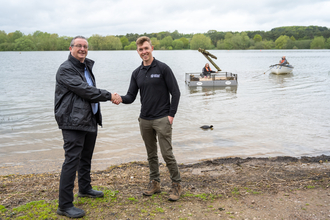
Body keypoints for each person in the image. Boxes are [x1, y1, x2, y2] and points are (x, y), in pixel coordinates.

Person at [54, 36, 120, 218]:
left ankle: (84, 188)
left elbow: (88, 92)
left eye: (85, 46)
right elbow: (85, 90)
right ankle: (65, 205)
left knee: (86, 158)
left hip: (88, 118)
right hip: (72, 121)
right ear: (70, 48)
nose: (82, 49)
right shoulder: (66, 69)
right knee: (71, 161)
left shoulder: (85, 67)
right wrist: (109, 95)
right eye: (78, 46)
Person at [113, 36, 182, 201]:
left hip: (162, 119)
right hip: (144, 120)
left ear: (151, 48)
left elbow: (176, 92)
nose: (144, 52)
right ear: (138, 52)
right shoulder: (137, 73)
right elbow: (131, 96)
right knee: (151, 154)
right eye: (140, 50)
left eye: (146, 48)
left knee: (167, 154)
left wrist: (171, 115)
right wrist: (120, 98)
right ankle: (155, 183)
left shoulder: (163, 68)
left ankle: (176, 185)